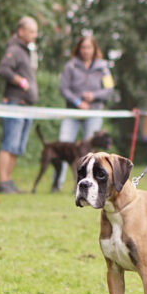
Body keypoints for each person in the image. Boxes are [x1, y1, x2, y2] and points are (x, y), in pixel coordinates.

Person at [55, 34, 114, 191]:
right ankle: (57, 184)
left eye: (89, 47)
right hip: (73, 112)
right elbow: (63, 88)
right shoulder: (70, 66)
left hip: (93, 113)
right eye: (83, 47)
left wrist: (94, 96)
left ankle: (88, 185)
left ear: (94, 49)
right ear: (78, 49)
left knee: (90, 154)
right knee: (63, 145)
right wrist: (77, 102)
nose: (86, 51)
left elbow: (109, 90)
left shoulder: (103, 67)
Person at [0, 16, 39, 193]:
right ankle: (2, 182)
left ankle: (8, 181)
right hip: (14, 103)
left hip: (25, 106)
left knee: (16, 147)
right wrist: (20, 81)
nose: (35, 35)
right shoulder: (14, 49)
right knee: (9, 143)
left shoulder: (26, 51)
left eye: (36, 32)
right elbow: (3, 69)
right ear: (21, 31)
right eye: (31, 31)